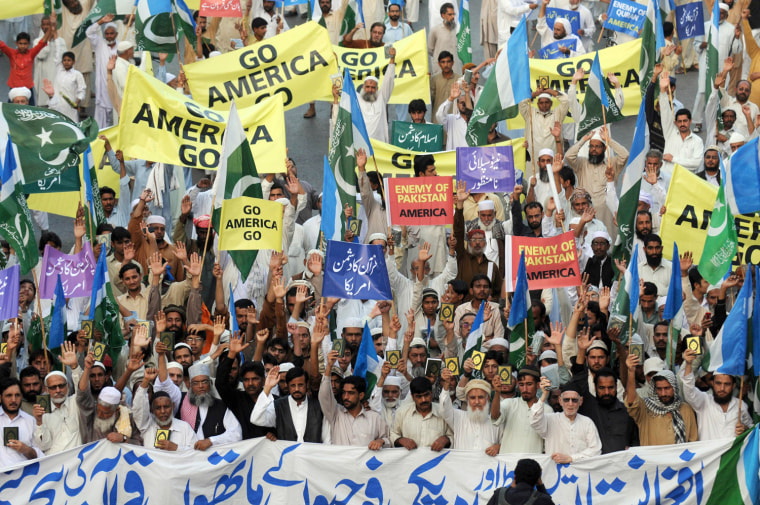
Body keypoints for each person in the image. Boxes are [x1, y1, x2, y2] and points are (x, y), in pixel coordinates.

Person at [319, 346, 389, 449]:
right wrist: (329, 366)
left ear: (361, 395)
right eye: (343, 393)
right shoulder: (335, 413)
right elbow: (324, 394)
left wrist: (380, 441)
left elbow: (388, 439)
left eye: (351, 393)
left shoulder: (374, 418)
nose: (346, 397)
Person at [625, 354, 698, 445]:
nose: (663, 393)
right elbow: (632, 402)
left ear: (674, 387)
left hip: (679, 459)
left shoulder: (686, 409)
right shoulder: (646, 409)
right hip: (652, 459)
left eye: (667, 388)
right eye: (659, 389)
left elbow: (694, 443)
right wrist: (631, 372)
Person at [680, 348, 752, 440]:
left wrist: (745, 429)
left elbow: (751, 428)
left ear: (733, 386)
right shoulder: (704, 401)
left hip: (733, 454)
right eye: (718, 383)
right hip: (711, 454)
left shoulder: (740, 405)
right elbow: (689, 390)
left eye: (727, 384)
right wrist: (689, 364)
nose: (722, 388)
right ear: (713, 383)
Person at [250, 366, 330, 442]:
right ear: (287, 386)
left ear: (307, 384)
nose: (296, 389)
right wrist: (267, 388)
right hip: (287, 456)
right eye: (292, 385)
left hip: (312, 455)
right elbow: (256, 419)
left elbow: (327, 440)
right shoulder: (278, 406)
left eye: (300, 385)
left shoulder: (319, 406)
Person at [530, 378, 602, 463]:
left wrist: (571, 458)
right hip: (556, 472)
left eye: (574, 400)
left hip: (581, 473)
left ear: (580, 401)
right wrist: (544, 394)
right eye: (566, 400)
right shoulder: (550, 420)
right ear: (560, 401)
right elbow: (534, 420)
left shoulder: (587, 422)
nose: (570, 404)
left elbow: (596, 450)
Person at [32, 344, 81, 455]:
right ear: (47, 390)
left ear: (68, 386)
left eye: (61, 386)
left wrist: (74, 367)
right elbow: (44, 446)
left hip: (78, 463)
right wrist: (39, 422)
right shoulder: (41, 410)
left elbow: (82, 389)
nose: (58, 390)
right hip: (55, 466)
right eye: (53, 387)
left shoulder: (76, 403)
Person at [133, 368, 198, 451]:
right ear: (152, 410)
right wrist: (146, 381)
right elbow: (138, 408)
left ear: (173, 406)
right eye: (158, 408)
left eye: (166, 407)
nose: (163, 411)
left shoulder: (184, 427)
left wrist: (177, 448)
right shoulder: (146, 425)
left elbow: (196, 454)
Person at [439, 367, 501, 454]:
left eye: (481, 397)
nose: (476, 402)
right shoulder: (458, 417)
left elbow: (506, 443)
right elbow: (444, 408)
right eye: (472, 398)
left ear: (488, 399)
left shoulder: (496, 422)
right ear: (467, 400)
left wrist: (498, 447)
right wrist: (446, 384)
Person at [490, 366, 545, 454]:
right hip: (508, 464)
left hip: (533, 464)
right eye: (522, 385)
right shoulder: (509, 403)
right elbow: (495, 416)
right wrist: (497, 392)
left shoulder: (547, 410)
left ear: (538, 385)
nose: (525, 389)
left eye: (529, 384)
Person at [391, 377, 452, 450]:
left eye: (426, 395)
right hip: (410, 460)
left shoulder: (443, 412)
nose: (423, 400)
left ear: (431, 394)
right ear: (412, 397)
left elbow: (453, 436)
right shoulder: (402, 412)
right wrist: (401, 440)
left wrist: (445, 439)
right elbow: (393, 434)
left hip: (437, 460)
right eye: (419, 396)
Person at [0, 378, 44, 466]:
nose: (13, 400)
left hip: (24, 477)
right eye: (9, 395)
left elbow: (40, 455)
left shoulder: (30, 421)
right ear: (0, 398)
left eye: (17, 395)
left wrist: (26, 450)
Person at [486, 458, 555, 505]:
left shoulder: (499, 494)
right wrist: (540, 485)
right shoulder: (542, 499)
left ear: (515, 476)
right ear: (537, 480)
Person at [428, 4, 460, 74]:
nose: (453, 17)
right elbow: (430, 50)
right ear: (443, 15)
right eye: (450, 14)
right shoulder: (435, 30)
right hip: (440, 70)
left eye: (453, 14)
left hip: (455, 69)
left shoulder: (458, 30)